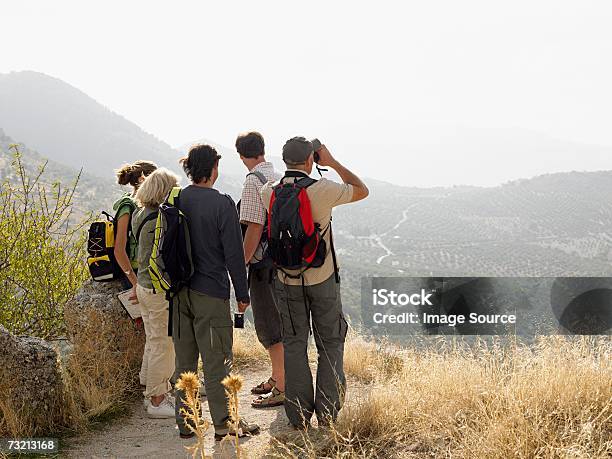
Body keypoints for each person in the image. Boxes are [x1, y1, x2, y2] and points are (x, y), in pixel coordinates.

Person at [261, 137, 369, 429]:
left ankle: (297, 416)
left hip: (286, 280)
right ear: (311, 160)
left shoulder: (267, 192)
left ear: (284, 161)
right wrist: (331, 162)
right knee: (330, 343)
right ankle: (328, 413)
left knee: (295, 344)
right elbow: (362, 190)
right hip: (321, 278)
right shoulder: (323, 189)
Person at [172, 144, 260, 441]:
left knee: (184, 364)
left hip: (179, 294)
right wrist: (243, 294)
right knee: (217, 361)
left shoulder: (178, 198)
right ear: (213, 169)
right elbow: (234, 256)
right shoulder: (222, 203)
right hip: (211, 293)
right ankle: (224, 425)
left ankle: (187, 424)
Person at [234, 132, 285, 408]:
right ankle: (278, 378)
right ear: (262, 150)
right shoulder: (276, 176)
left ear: (242, 155)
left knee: (268, 324)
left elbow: (254, 226)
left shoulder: (252, 182)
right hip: (282, 261)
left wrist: (240, 262)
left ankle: (281, 387)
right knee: (278, 320)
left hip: (262, 264)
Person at [132, 168, 180, 418]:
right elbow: (157, 258)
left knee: (153, 340)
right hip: (156, 287)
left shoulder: (140, 214)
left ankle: (151, 394)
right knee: (164, 342)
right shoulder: (157, 219)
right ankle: (158, 400)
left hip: (143, 286)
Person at [114, 160, 158, 387]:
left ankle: (153, 383)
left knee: (154, 335)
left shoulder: (143, 206)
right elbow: (119, 249)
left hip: (146, 276)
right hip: (135, 277)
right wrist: (134, 281)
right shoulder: (127, 206)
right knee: (155, 335)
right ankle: (156, 389)